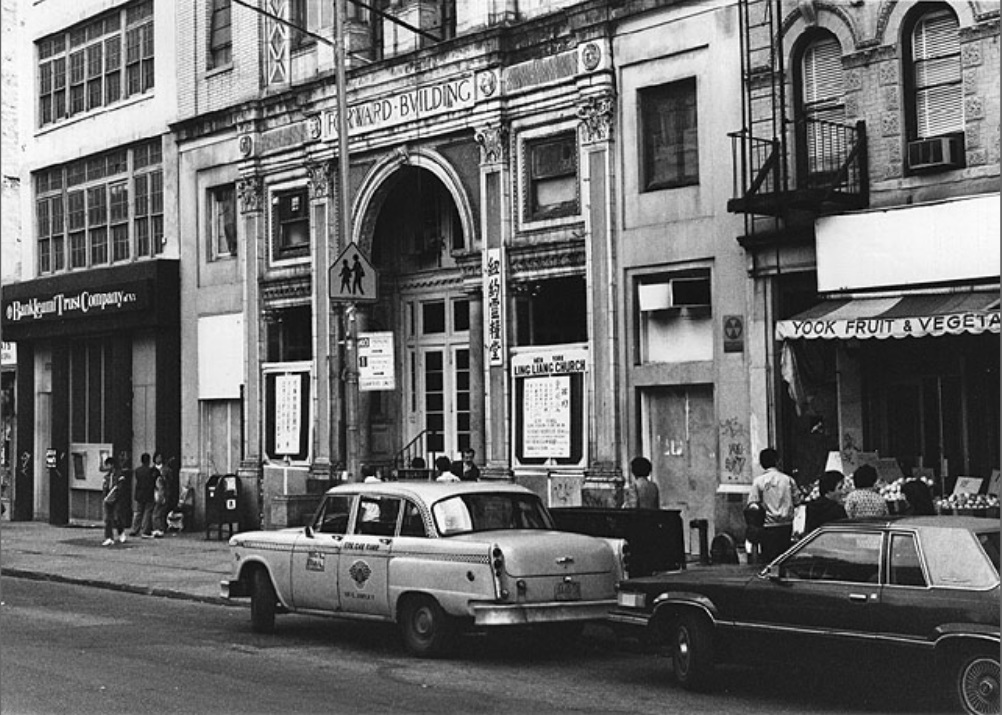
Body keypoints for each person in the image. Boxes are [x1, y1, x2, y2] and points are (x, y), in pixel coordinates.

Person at [748, 447, 802, 562]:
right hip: (786, 525)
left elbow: (753, 505)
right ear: (777, 461)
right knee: (784, 559)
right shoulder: (788, 480)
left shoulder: (758, 481)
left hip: (768, 526)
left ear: (762, 463)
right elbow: (797, 501)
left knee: (769, 560)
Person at [804, 470, 847, 535]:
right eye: (840, 488)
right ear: (829, 490)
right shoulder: (837, 510)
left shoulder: (811, 507)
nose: (843, 492)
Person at [100, 457, 128, 546]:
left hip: (117, 499)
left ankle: (121, 532)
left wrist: (115, 496)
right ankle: (109, 537)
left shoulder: (120, 475)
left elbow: (121, 487)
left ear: (112, 465)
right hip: (108, 499)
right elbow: (104, 488)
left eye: (108, 465)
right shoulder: (106, 476)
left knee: (117, 517)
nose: (107, 467)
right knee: (107, 519)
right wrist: (105, 497)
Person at [130, 452, 157, 538]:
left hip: (139, 493)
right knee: (147, 512)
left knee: (138, 512)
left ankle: (135, 529)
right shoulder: (151, 471)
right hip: (149, 493)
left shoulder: (137, 470)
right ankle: (145, 530)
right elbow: (155, 478)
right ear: (149, 461)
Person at [151, 452, 168, 538]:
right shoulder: (153, 470)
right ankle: (157, 528)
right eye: (157, 457)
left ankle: (160, 528)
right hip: (156, 493)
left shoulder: (166, 469)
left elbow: (168, 482)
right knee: (156, 512)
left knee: (160, 512)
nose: (159, 459)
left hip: (162, 492)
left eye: (160, 457)